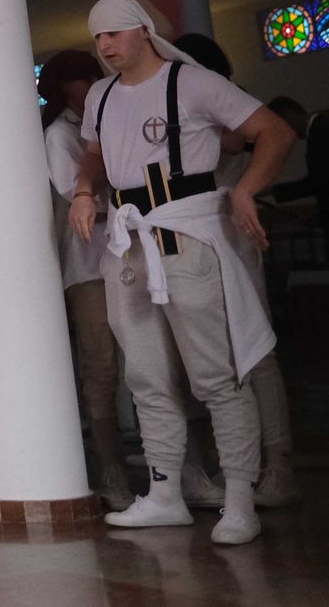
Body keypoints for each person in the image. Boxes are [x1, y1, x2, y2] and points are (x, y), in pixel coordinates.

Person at [71, 0, 294, 545]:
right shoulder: (100, 94)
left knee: (217, 374)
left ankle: (239, 500)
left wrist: (245, 189)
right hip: (129, 241)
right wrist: (83, 191)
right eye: (97, 36)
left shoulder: (192, 83)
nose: (104, 45)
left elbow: (273, 131)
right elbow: (95, 154)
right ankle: (165, 491)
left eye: (113, 33)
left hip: (187, 236)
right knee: (145, 375)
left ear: (144, 31)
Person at [172, 33, 297, 508]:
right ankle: (239, 464)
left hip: (231, 230)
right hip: (204, 235)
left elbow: (241, 141)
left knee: (256, 349)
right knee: (215, 358)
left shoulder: (220, 100)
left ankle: (278, 465)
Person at [37, 49, 132, 511]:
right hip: (88, 264)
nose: (94, 84)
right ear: (63, 87)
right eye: (84, 78)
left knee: (145, 361)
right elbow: (77, 196)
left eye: (96, 76)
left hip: (126, 254)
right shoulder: (59, 134)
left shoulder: (107, 122)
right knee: (100, 366)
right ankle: (110, 469)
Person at [267, 97, 327, 228]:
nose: (279, 133)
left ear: (289, 114)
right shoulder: (318, 129)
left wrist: (269, 191)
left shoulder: (320, 131)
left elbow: (319, 181)